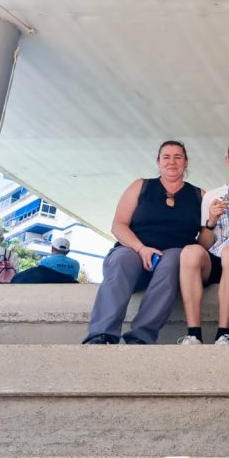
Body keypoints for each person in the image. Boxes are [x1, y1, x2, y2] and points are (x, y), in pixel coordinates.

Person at [83, 140, 202, 344]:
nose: (172, 162)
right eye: (166, 157)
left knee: (173, 259)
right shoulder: (141, 186)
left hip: (173, 258)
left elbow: (206, 240)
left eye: (178, 157)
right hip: (134, 250)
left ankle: (141, 336)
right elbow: (118, 225)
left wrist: (212, 223)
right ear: (158, 161)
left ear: (186, 162)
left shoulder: (200, 195)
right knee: (123, 259)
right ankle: (101, 334)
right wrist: (141, 248)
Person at [178, 135, 229, 346]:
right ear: (227, 159)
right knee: (189, 251)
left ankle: (223, 334)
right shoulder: (211, 195)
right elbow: (204, 244)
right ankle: (194, 334)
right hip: (214, 260)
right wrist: (211, 221)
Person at [11, 235, 79, 284]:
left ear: (52, 248)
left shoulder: (45, 261)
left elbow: (39, 277)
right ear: (68, 251)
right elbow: (73, 278)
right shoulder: (75, 264)